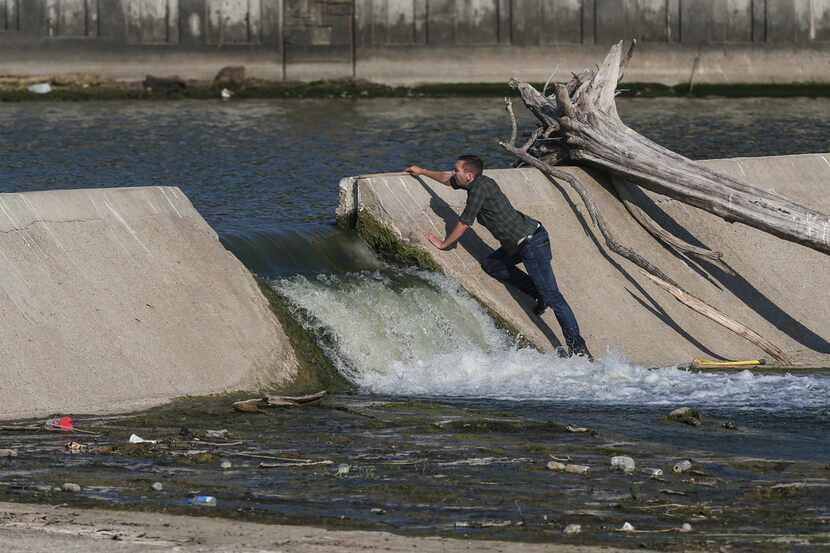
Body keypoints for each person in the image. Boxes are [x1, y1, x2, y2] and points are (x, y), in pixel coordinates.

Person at [405, 155, 592, 359]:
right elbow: (445, 179)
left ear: (468, 175)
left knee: (554, 298)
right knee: (493, 265)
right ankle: (539, 294)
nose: (453, 172)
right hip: (516, 245)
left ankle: (579, 349)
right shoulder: (473, 183)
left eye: (456, 170)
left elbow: (465, 222)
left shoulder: (478, 189)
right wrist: (422, 171)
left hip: (532, 243)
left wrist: (444, 243)